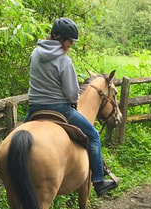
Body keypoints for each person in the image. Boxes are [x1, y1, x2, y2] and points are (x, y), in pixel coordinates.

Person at [27, 17, 117, 196]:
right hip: (59, 109)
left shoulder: (35, 53)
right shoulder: (64, 60)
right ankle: (99, 181)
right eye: (69, 40)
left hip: (34, 109)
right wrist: (72, 100)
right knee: (93, 135)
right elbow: (71, 93)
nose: (71, 45)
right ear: (59, 37)